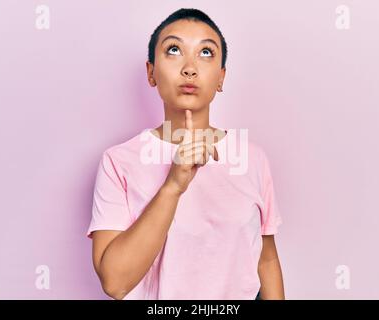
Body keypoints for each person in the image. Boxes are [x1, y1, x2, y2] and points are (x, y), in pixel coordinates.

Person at [86, 8, 284, 300]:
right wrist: (173, 186)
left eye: (206, 53)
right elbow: (115, 282)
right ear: (151, 73)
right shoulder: (119, 161)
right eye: (174, 50)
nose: (190, 67)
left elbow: (266, 260)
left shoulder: (253, 159)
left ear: (221, 77)